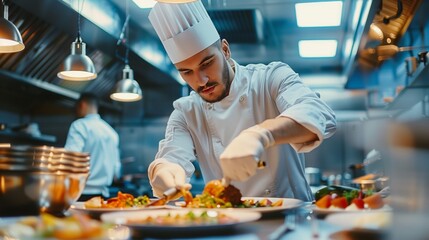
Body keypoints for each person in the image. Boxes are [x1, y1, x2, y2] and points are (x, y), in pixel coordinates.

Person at [147, 1, 337, 202]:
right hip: (228, 225)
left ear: (225, 50)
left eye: (207, 63)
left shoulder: (270, 78)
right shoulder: (186, 112)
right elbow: (171, 156)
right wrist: (164, 170)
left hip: (291, 223)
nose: (200, 80)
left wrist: (262, 135)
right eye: (187, 72)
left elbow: (318, 113)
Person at [64, 93, 121, 201]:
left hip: (80, 194)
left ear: (82, 105)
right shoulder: (111, 132)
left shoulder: (79, 125)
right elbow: (116, 172)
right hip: (103, 196)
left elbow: (70, 159)